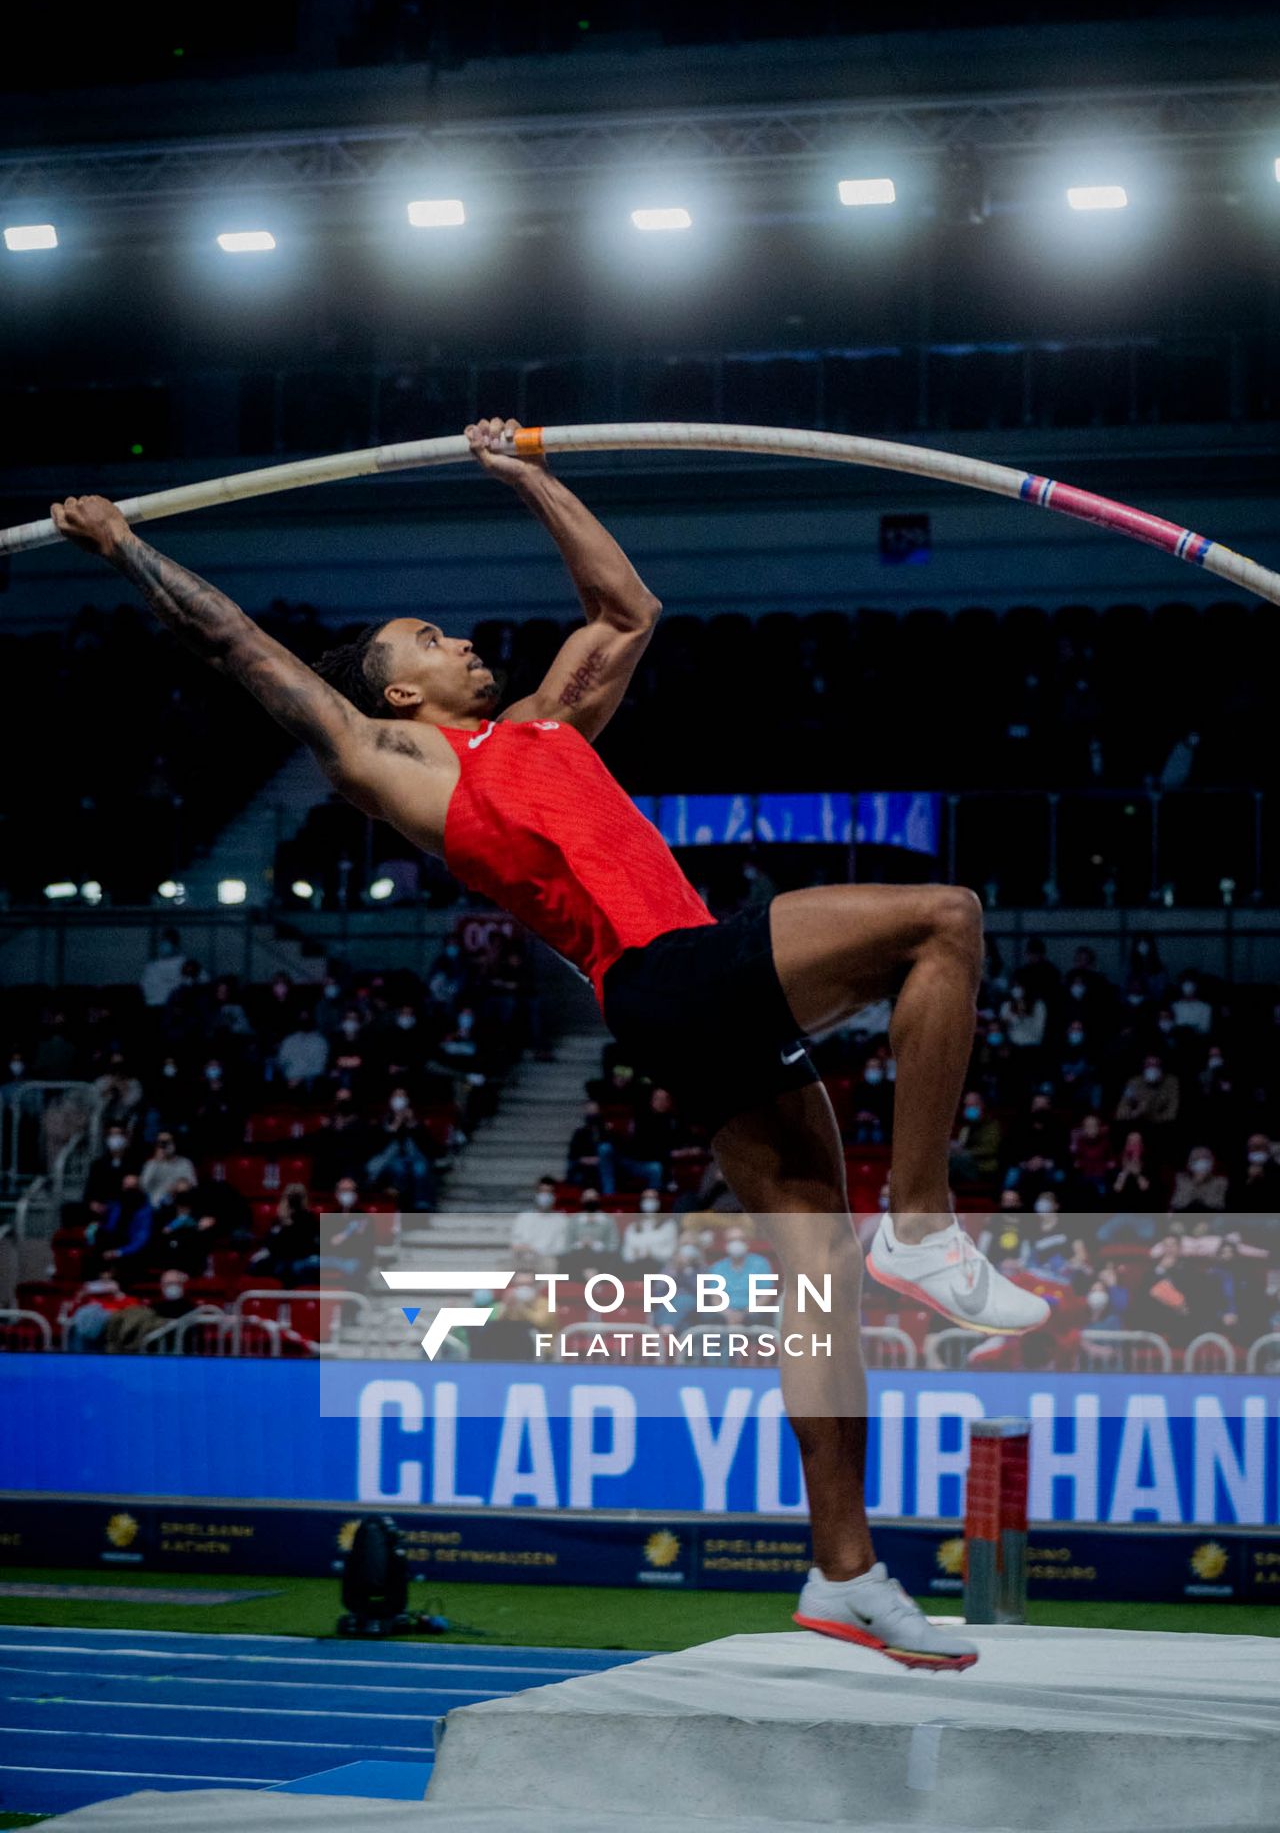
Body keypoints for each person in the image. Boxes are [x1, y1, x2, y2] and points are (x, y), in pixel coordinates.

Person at [52, 423, 1051, 1672]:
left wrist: (520, 472)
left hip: (690, 993)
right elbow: (236, 646)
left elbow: (627, 607)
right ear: (397, 692)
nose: (458, 639)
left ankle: (841, 1571)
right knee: (942, 918)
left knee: (819, 1290)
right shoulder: (391, 761)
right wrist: (123, 543)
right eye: (425, 639)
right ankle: (923, 1216)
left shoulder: (547, 729)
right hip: (660, 977)